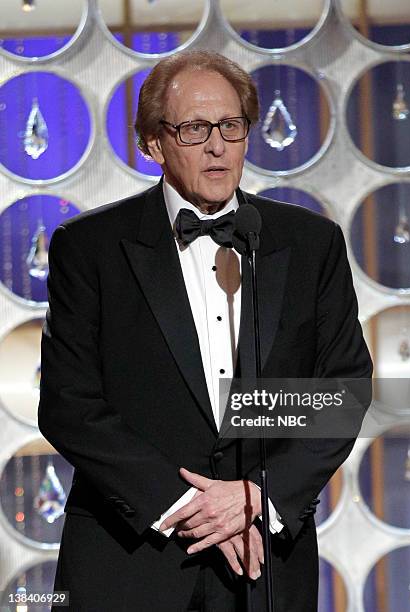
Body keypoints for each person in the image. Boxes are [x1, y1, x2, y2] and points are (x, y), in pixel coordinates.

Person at [38, 50, 372, 611]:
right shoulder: (89, 248)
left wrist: (257, 497)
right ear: (154, 144)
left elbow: (342, 392)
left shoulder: (312, 243)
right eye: (194, 129)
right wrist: (194, 507)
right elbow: (70, 404)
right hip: (130, 560)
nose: (218, 146)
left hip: (264, 564)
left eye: (231, 126)